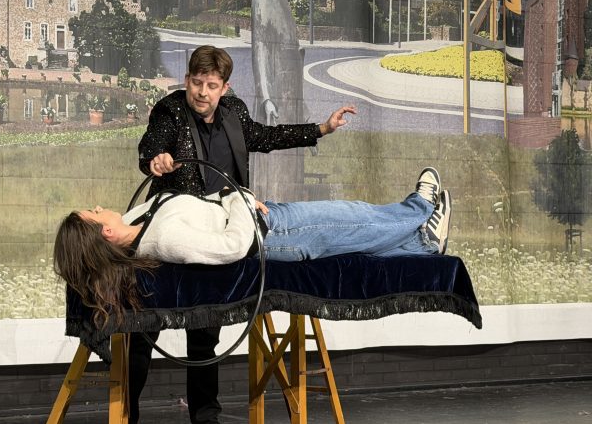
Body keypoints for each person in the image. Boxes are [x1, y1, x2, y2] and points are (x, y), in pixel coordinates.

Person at [54, 168, 451, 420]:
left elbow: (200, 208)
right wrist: (239, 197)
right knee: (354, 219)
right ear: (107, 233)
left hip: (265, 217)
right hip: (273, 233)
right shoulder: (163, 238)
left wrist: (230, 199)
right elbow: (232, 247)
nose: (99, 206)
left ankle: (423, 244)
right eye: (94, 213)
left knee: (352, 230)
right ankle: (420, 207)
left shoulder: (136, 220)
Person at [135, 44, 356, 424]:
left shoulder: (234, 112)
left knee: (206, 329)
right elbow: (151, 145)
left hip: (216, 234)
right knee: (144, 328)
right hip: (175, 232)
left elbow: (266, 137)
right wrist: (157, 159)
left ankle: (206, 416)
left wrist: (322, 128)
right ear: (187, 80)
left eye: (211, 85)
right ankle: (127, 413)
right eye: (196, 83)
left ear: (225, 87)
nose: (202, 92)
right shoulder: (170, 110)